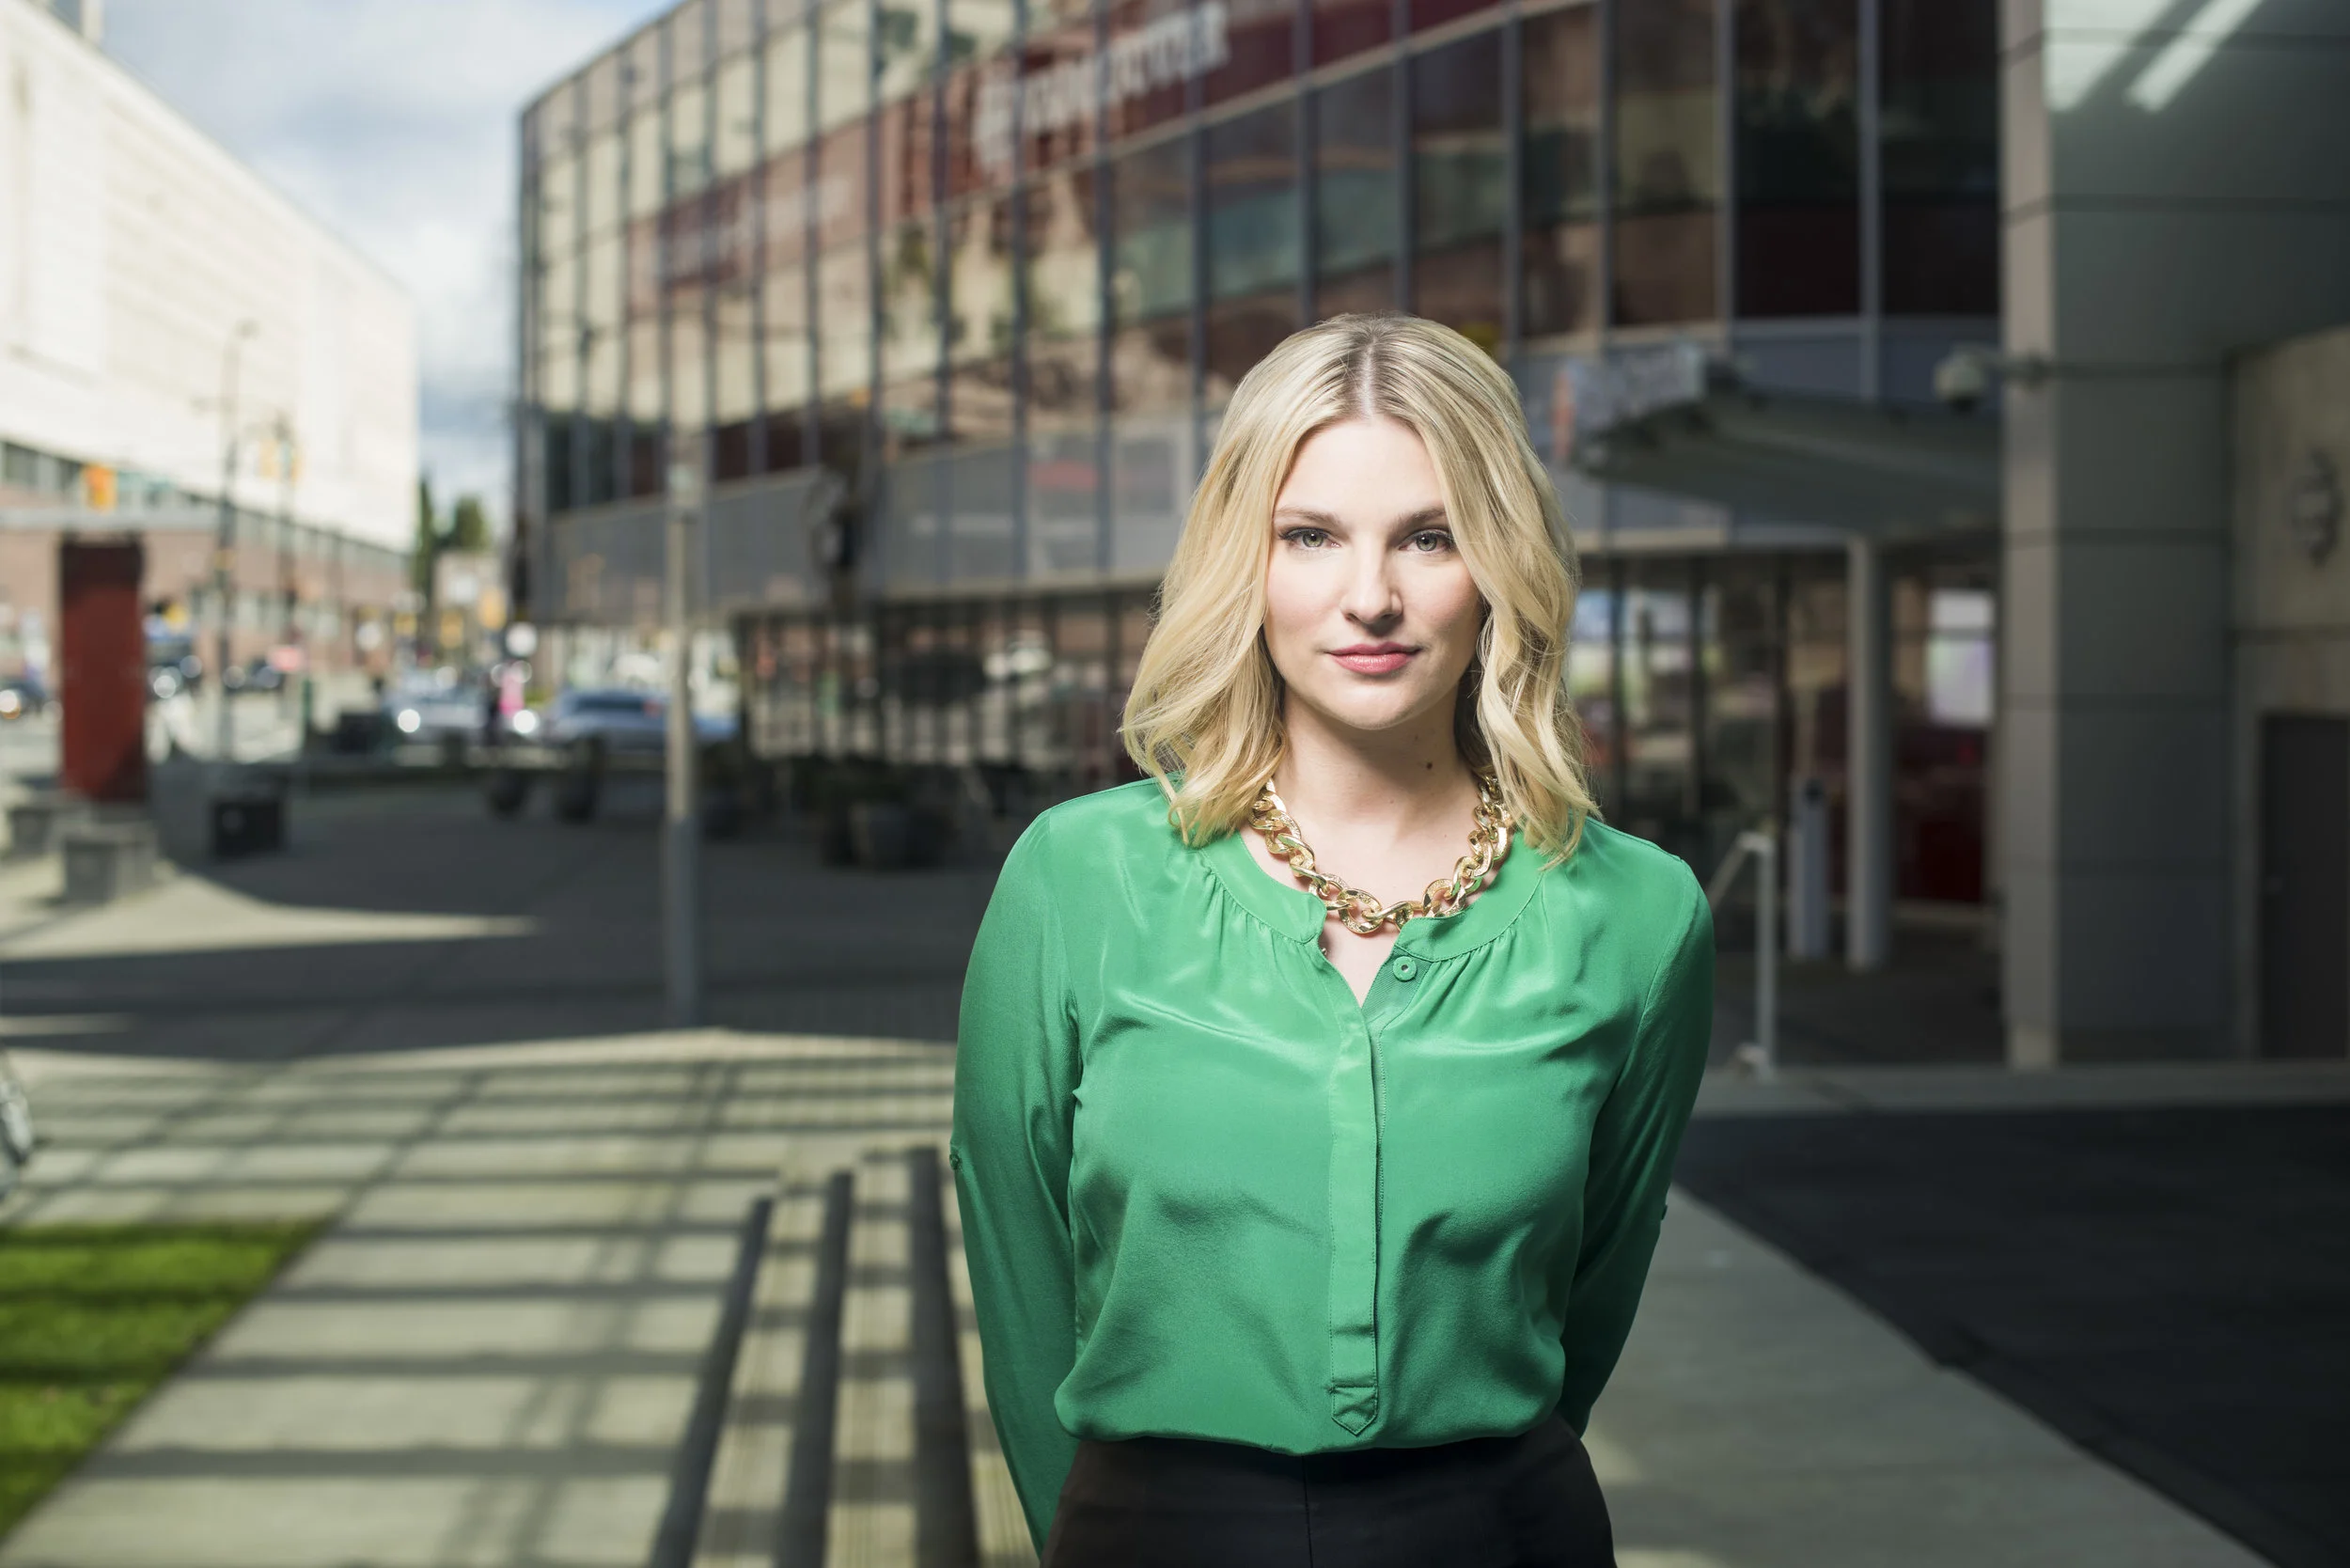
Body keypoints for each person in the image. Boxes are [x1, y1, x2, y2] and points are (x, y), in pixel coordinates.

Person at [951, 313, 1715, 1568]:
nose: (1372, 596)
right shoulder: (1076, 879)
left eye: (1429, 535)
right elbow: (1020, 1270)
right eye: (1310, 535)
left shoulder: (1637, 915)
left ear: (1501, 560)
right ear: (1243, 562)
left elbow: (1595, 1287)